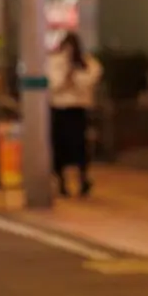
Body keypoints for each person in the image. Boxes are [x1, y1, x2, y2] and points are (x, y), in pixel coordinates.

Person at [46, 32, 101, 197]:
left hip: (77, 110)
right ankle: (61, 182)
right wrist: (66, 76)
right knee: (59, 146)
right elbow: (53, 85)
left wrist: (75, 76)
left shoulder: (87, 62)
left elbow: (90, 80)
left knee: (80, 147)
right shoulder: (54, 62)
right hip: (59, 109)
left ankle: (83, 179)